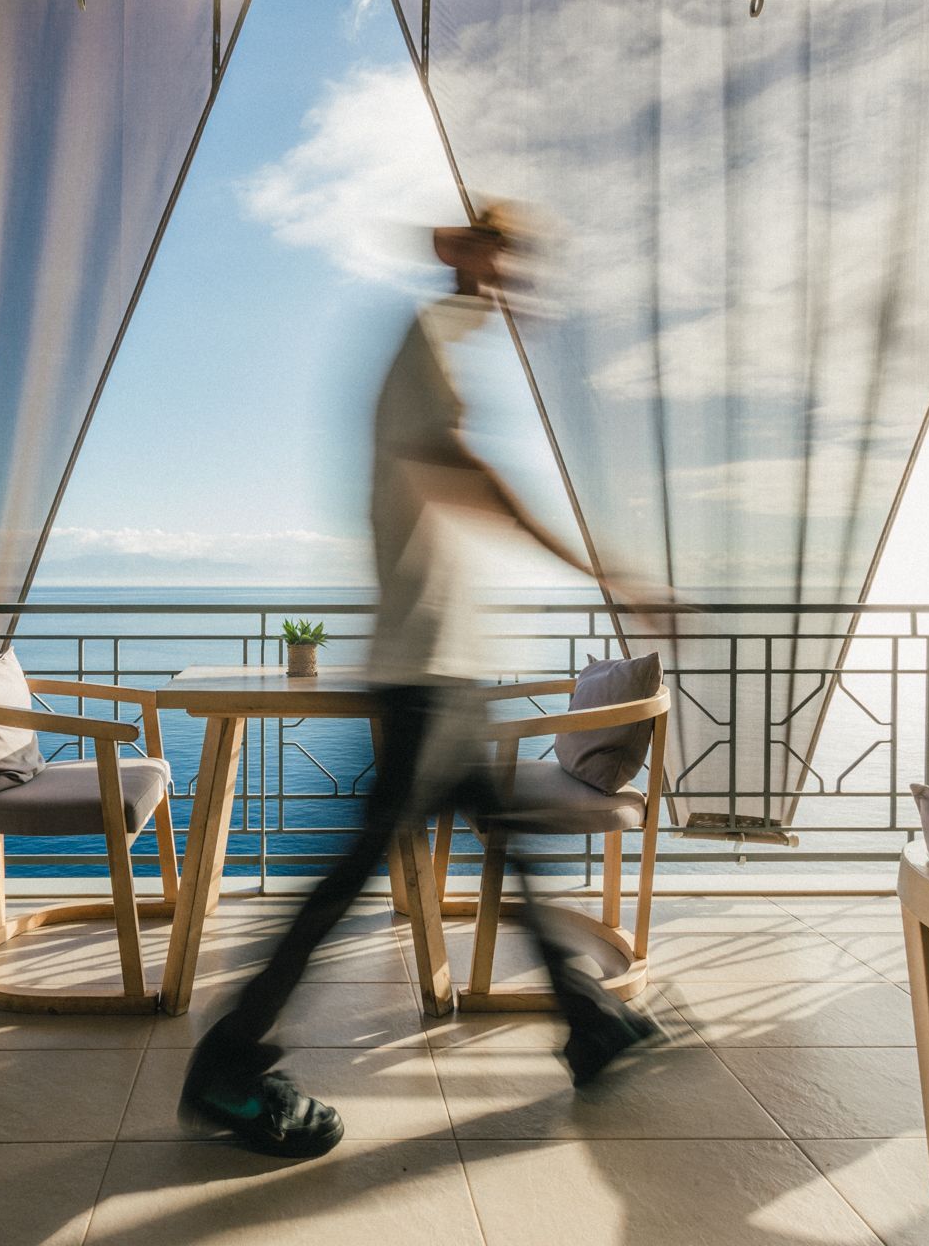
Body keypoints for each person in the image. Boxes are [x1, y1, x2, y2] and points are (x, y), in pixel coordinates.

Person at [178, 205, 664, 1160]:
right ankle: (227, 1068)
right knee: (355, 870)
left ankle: (589, 1021)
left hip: (446, 663)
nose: (523, 276)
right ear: (467, 249)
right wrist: (605, 573)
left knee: (507, 845)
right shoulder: (427, 339)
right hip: (423, 670)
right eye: (508, 253)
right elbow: (459, 475)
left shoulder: (449, 339)